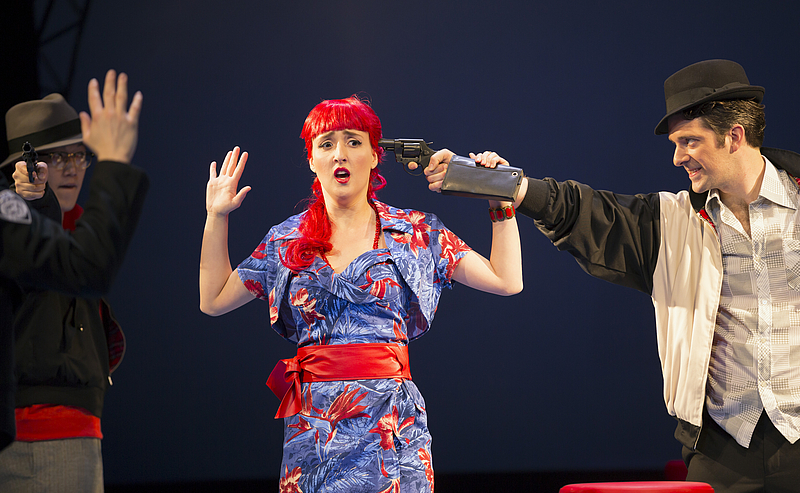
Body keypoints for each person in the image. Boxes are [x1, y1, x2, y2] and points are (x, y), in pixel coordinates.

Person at [423, 59, 800, 493]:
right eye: (676, 143)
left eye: (689, 141)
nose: (678, 157)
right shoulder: (672, 222)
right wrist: (502, 184)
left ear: (734, 136)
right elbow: (582, 210)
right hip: (724, 450)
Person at [199, 96, 522, 493]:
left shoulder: (415, 232)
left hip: (391, 425)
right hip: (314, 432)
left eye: (353, 141)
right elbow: (213, 299)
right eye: (327, 143)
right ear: (312, 160)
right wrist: (216, 216)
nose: (340, 153)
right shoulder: (286, 240)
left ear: (373, 155)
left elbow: (506, 280)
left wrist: (499, 200)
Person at [0, 70, 149, 492]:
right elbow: (81, 263)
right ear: (20, 168)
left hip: (75, 427)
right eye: (53, 158)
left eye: (78, 156)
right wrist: (33, 199)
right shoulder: (22, 223)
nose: (69, 168)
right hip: (38, 433)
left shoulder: (78, 231)